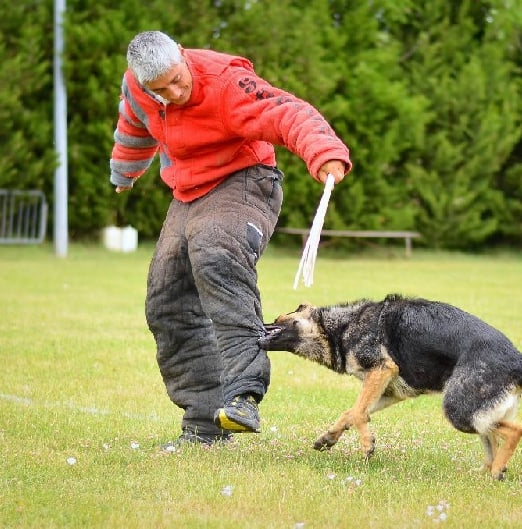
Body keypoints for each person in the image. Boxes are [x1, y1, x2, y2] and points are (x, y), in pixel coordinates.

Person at [109, 30, 351, 445]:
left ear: (183, 56)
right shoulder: (138, 89)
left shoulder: (226, 82)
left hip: (245, 181)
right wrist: (124, 173)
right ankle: (205, 424)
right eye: (161, 89)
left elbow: (285, 112)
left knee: (216, 254)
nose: (175, 91)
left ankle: (243, 394)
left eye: (177, 78)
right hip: (188, 193)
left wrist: (323, 151)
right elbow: (134, 125)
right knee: (166, 300)